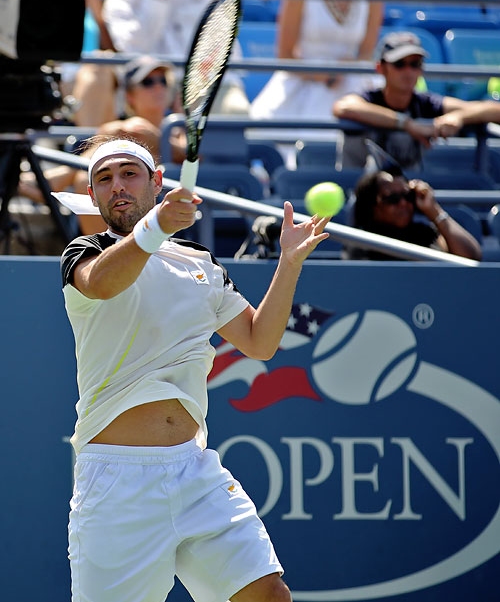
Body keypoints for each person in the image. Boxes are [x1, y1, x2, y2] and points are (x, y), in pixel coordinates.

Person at [60, 136, 330, 602]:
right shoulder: (85, 254)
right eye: (104, 179)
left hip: (194, 469)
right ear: (92, 195)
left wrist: (288, 263)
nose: (117, 185)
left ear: (157, 182)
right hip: (115, 481)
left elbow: (260, 342)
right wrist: (156, 225)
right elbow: (102, 284)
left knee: (269, 595)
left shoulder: (200, 263)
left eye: (129, 173)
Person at [18, 56, 186, 235]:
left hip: (163, 193)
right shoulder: (118, 128)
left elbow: (195, 157)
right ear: (130, 96)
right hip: (124, 195)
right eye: (148, 82)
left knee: (92, 170)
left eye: (163, 81)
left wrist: (157, 140)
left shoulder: (178, 128)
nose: (158, 87)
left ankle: (50, 182)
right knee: (90, 174)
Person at [333, 30, 500, 171]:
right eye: (399, 64)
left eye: (415, 64)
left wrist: (459, 117)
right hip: (360, 193)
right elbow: (344, 107)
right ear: (380, 68)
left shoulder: (425, 103)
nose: (408, 71)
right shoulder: (369, 98)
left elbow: (493, 109)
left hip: (404, 195)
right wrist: (407, 124)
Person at [102, 0, 250, 115]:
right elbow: (136, 49)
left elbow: (222, 39)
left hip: (206, 80)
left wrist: (196, 82)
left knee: (237, 112)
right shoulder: (118, 1)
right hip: (154, 82)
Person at [249, 0, 384, 120]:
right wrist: (317, 74)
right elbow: (285, 54)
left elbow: (367, 52)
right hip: (303, 82)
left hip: (351, 81)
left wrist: (350, 66)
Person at [343, 168, 482, 260]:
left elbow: (471, 258)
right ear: (371, 206)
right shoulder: (361, 242)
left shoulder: (426, 234)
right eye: (393, 198)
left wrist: (435, 212)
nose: (403, 203)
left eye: (408, 196)